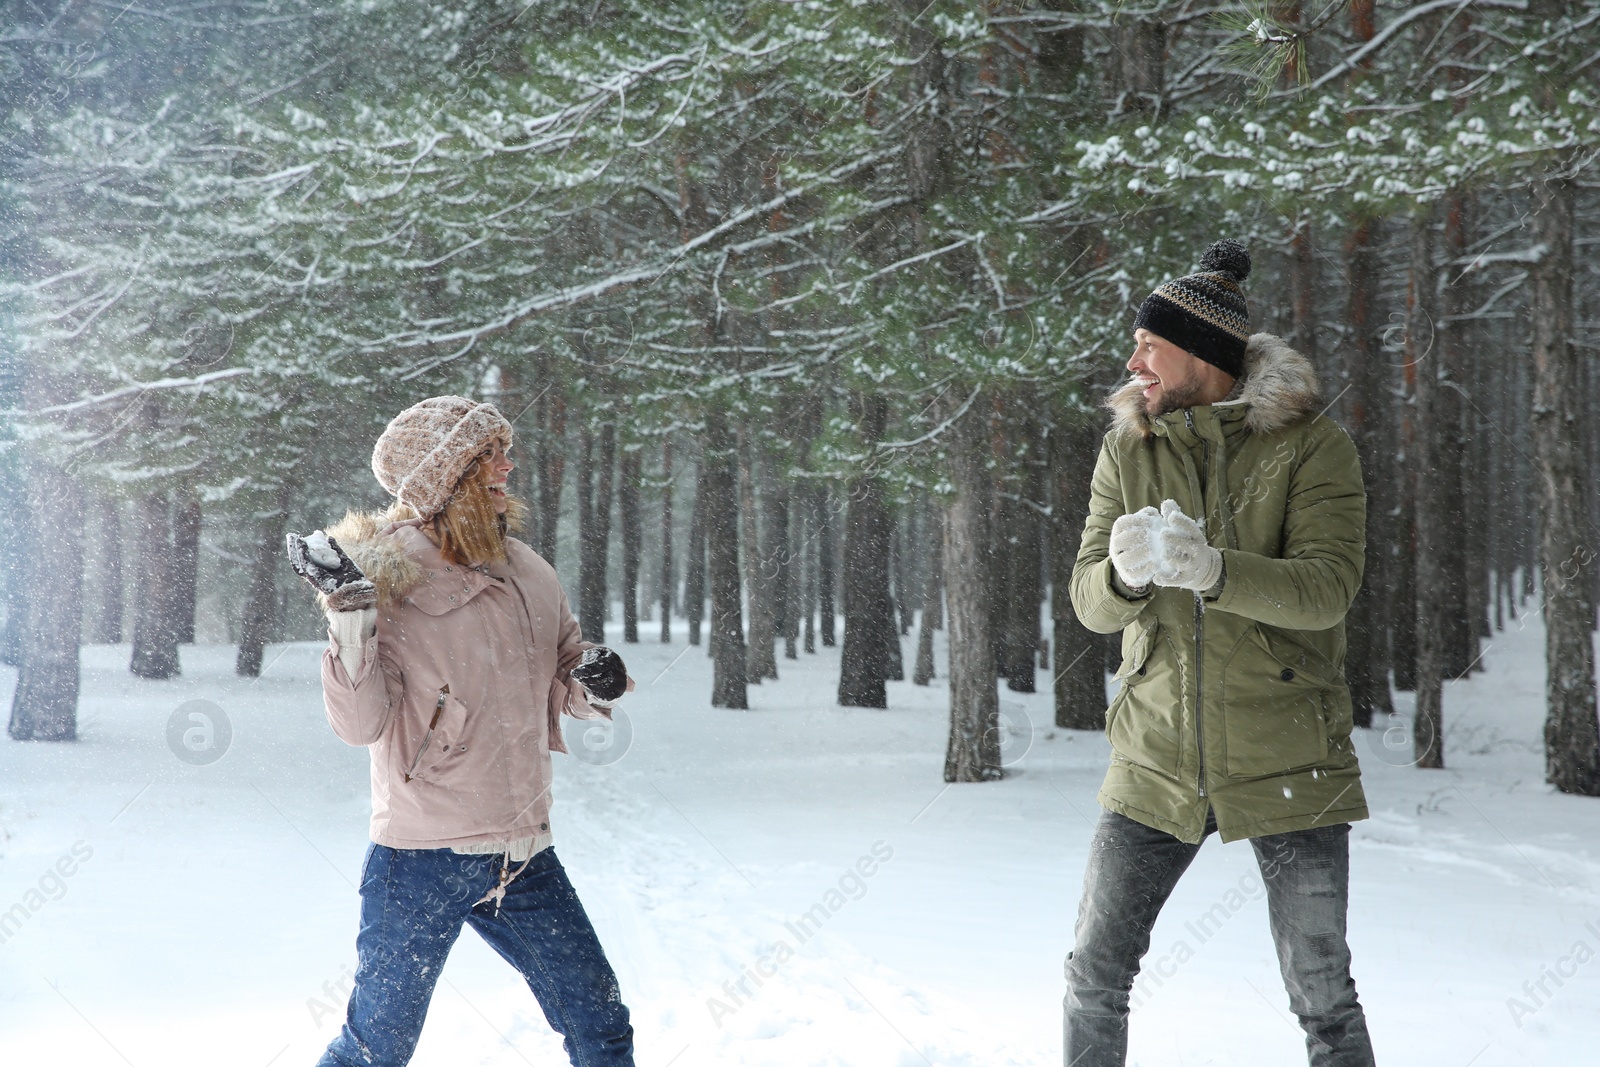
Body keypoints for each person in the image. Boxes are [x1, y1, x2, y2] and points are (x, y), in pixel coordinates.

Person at [1064, 241, 1376, 1066]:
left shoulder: (1312, 446)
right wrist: (1125, 580)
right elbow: (1086, 600)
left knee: (1324, 993)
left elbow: (1326, 587)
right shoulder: (1127, 448)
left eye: (1147, 344)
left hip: (1289, 754)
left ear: (1201, 352)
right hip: (1153, 755)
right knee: (1095, 974)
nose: (1132, 361)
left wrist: (1215, 571)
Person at [287, 395, 636, 1067]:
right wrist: (350, 617)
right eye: (490, 455)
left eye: (504, 449)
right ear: (446, 473)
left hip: (523, 852)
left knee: (602, 1025)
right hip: (421, 857)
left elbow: (563, 663)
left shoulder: (528, 569)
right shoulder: (384, 568)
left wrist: (592, 679)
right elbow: (360, 724)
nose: (509, 463)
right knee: (373, 1048)